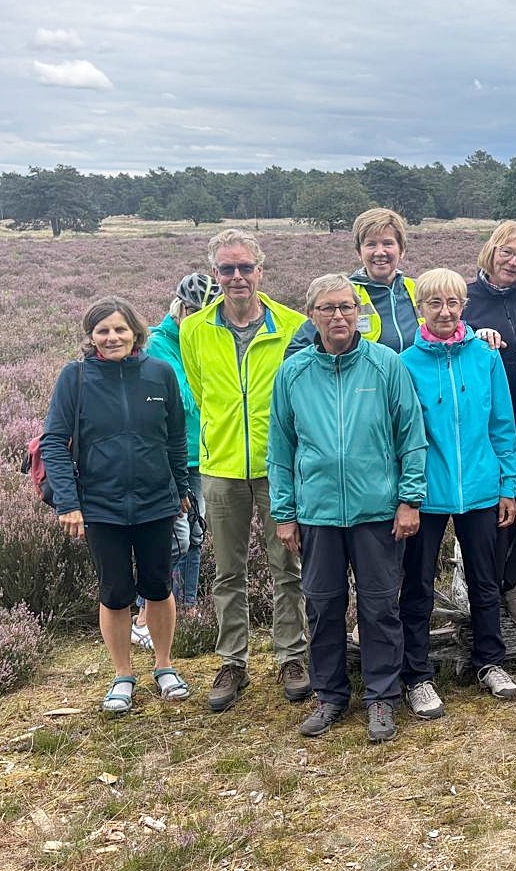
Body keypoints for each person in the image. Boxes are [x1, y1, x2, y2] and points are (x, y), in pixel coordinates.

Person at [268, 274, 427, 741]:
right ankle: (330, 695)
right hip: (316, 513)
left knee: (380, 608)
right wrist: (284, 512)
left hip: (377, 511)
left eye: (346, 307)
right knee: (322, 607)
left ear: (359, 311)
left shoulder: (385, 365)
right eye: (327, 309)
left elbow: (411, 437)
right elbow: (280, 448)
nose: (338, 316)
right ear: (312, 316)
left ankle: (381, 697)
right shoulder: (292, 373)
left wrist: (409, 500)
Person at [180, 229, 312, 713]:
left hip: (280, 465)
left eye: (244, 267)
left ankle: (291, 657)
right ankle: (232, 661)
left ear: (261, 269)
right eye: (226, 269)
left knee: (287, 567)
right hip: (220, 469)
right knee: (227, 571)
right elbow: (199, 391)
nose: (236, 277)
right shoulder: (194, 330)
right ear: (215, 274)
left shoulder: (294, 325)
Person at [40, 297, 191, 714]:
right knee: (115, 591)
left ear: (136, 333)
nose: (112, 337)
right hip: (100, 505)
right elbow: (54, 442)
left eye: (120, 329)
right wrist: (68, 503)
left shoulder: (159, 373)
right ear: (91, 337)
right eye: (103, 331)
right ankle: (123, 674)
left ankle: (164, 666)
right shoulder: (75, 378)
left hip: (157, 502)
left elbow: (175, 437)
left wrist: (180, 488)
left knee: (159, 586)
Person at [400, 268, 516, 714]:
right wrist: (406, 496)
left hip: (481, 488)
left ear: (463, 306)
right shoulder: (405, 363)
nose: (446, 311)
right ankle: (417, 675)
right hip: (425, 495)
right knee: (416, 587)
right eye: (435, 303)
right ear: (421, 309)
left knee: (485, 582)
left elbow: (501, 426)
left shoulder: (485, 358)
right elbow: (401, 435)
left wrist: (508, 485)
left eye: (453, 303)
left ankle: (489, 661)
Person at [462, 221, 516, 628]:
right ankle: (484, 590)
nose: (513, 262)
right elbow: (443, 335)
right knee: (486, 510)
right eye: (506, 252)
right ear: (491, 251)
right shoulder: (465, 298)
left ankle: (511, 582)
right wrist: (473, 335)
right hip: (481, 423)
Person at [131, 272, 219, 647]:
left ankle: (184, 609)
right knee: (173, 540)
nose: (199, 318)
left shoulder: (213, 337)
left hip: (206, 454)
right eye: (193, 311)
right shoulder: (155, 343)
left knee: (195, 535)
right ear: (180, 309)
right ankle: (144, 615)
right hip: (168, 457)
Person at [286, 207, 420, 357]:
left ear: (401, 249)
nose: (380, 252)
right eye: (371, 244)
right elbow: (296, 353)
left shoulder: (420, 291)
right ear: (358, 252)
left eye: (388, 243)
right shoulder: (342, 295)